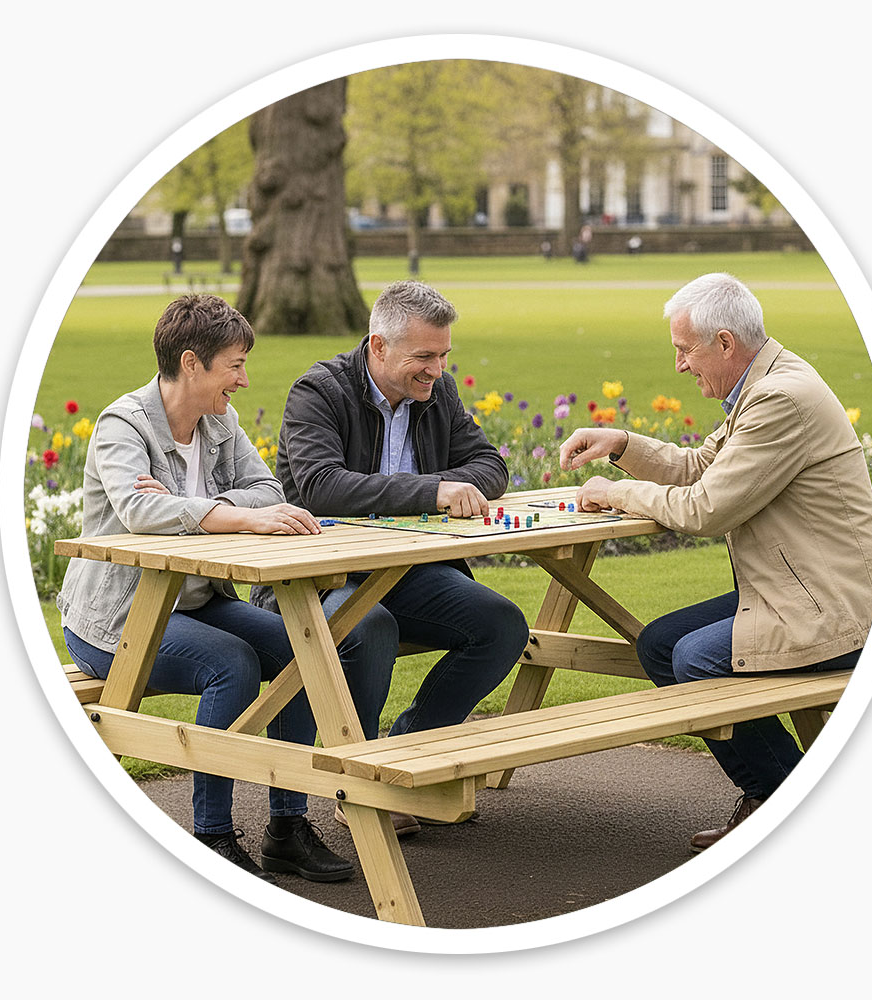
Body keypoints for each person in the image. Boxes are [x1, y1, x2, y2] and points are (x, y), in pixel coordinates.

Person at [559, 272, 872, 850]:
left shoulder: (780, 399)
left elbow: (705, 508)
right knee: (660, 644)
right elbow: (699, 468)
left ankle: (786, 803)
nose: (681, 366)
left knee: (694, 659)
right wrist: (622, 445)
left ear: (726, 343)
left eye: (685, 350)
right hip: (796, 589)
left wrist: (612, 493)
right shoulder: (762, 386)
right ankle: (771, 792)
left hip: (834, 608)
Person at [57, 293, 354, 884]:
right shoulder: (123, 425)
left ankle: (286, 829)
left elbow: (270, 490)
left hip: (200, 602)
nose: (244, 379)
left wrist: (192, 507)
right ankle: (211, 837)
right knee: (233, 664)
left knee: (308, 646)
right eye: (235, 365)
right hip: (115, 619)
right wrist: (233, 515)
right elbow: (140, 512)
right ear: (192, 363)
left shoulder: (220, 421)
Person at [250, 280, 529, 835]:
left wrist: (447, 484)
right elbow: (322, 485)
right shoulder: (318, 391)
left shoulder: (436, 392)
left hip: (404, 573)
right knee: (367, 626)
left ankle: (404, 756)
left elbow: (490, 466)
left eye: (444, 355)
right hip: (314, 578)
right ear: (378, 347)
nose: (437, 370)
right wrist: (432, 493)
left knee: (501, 625)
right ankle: (365, 777)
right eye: (424, 357)